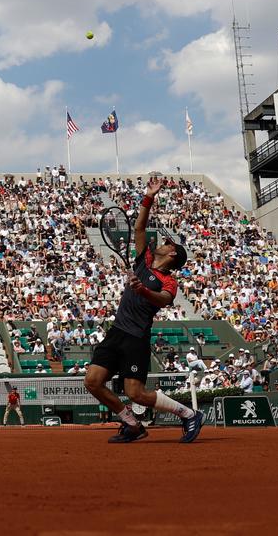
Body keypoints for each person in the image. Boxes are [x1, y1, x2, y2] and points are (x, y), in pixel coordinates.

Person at [82, 177, 203, 443]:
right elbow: (139, 227)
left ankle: (188, 414)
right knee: (92, 381)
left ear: (172, 254)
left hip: (136, 338)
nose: (163, 242)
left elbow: (162, 300)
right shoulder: (144, 259)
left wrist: (143, 291)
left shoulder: (169, 280)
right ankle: (131, 424)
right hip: (116, 333)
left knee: (136, 393)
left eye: (169, 243)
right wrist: (149, 197)